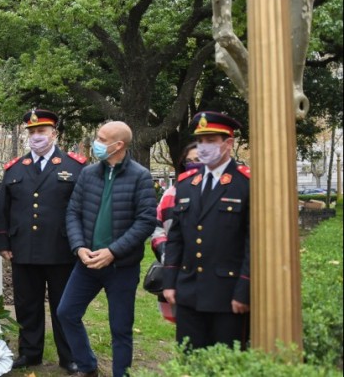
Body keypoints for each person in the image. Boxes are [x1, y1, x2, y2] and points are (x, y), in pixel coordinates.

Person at [56, 121, 157, 377]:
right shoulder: (88, 174)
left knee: (120, 328)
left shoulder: (140, 176)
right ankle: (88, 367)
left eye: (101, 138)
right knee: (66, 312)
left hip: (121, 267)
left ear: (118, 145)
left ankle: (120, 373)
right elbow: (73, 212)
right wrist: (79, 247)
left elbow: (145, 222)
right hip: (87, 263)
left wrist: (112, 252)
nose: (96, 142)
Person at [0, 109, 87, 372]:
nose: (36, 136)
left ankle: (69, 356)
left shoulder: (75, 166)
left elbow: (83, 208)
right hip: (23, 249)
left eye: (42, 131)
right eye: (32, 132)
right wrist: (2, 243)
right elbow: (3, 209)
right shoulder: (14, 169)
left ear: (54, 133)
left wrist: (82, 243)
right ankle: (29, 352)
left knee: (64, 307)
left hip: (62, 249)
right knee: (27, 305)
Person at [162, 112, 250, 350]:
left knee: (226, 365)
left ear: (228, 143)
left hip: (228, 294)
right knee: (190, 359)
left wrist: (244, 290)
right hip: (189, 291)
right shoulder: (187, 183)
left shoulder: (246, 183)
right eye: (200, 141)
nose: (203, 147)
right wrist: (169, 282)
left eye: (211, 140)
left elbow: (253, 243)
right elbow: (176, 238)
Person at [149, 142, 199, 323]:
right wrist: (166, 254)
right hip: (177, 269)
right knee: (185, 329)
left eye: (198, 160)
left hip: (212, 274)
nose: (193, 164)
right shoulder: (172, 193)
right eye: (189, 161)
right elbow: (157, 226)